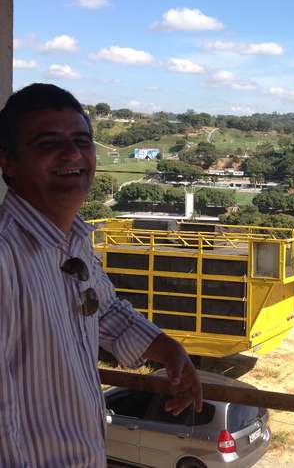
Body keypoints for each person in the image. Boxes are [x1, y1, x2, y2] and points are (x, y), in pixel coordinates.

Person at [0, 84, 203, 467]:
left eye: (82, 140)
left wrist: (168, 350)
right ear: (8, 161)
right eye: (48, 143)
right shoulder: (6, 257)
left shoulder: (73, 240)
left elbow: (102, 309)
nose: (73, 154)